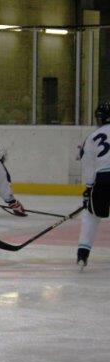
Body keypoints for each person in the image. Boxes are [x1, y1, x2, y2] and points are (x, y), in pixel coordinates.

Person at [76, 101, 110, 268]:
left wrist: (88, 189)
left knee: (91, 215)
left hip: (103, 180)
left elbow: (88, 165)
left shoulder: (92, 137)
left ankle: (83, 253)